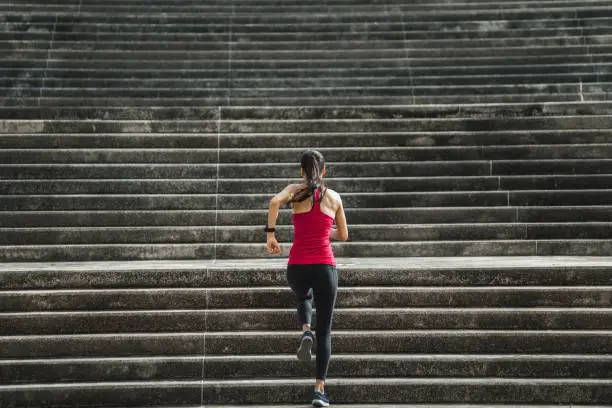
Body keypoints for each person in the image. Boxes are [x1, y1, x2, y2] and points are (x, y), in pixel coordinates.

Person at [265, 149, 348, 407]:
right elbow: (343, 235)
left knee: (303, 295)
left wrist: (271, 235)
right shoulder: (333, 198)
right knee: (325, 331)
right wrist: (324, 231)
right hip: (325, 267)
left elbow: (273, 202)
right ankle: (319, 390)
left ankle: (304, 330)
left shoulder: (294, 191)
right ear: (324, 171)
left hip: (298, 266)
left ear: (302, 171)